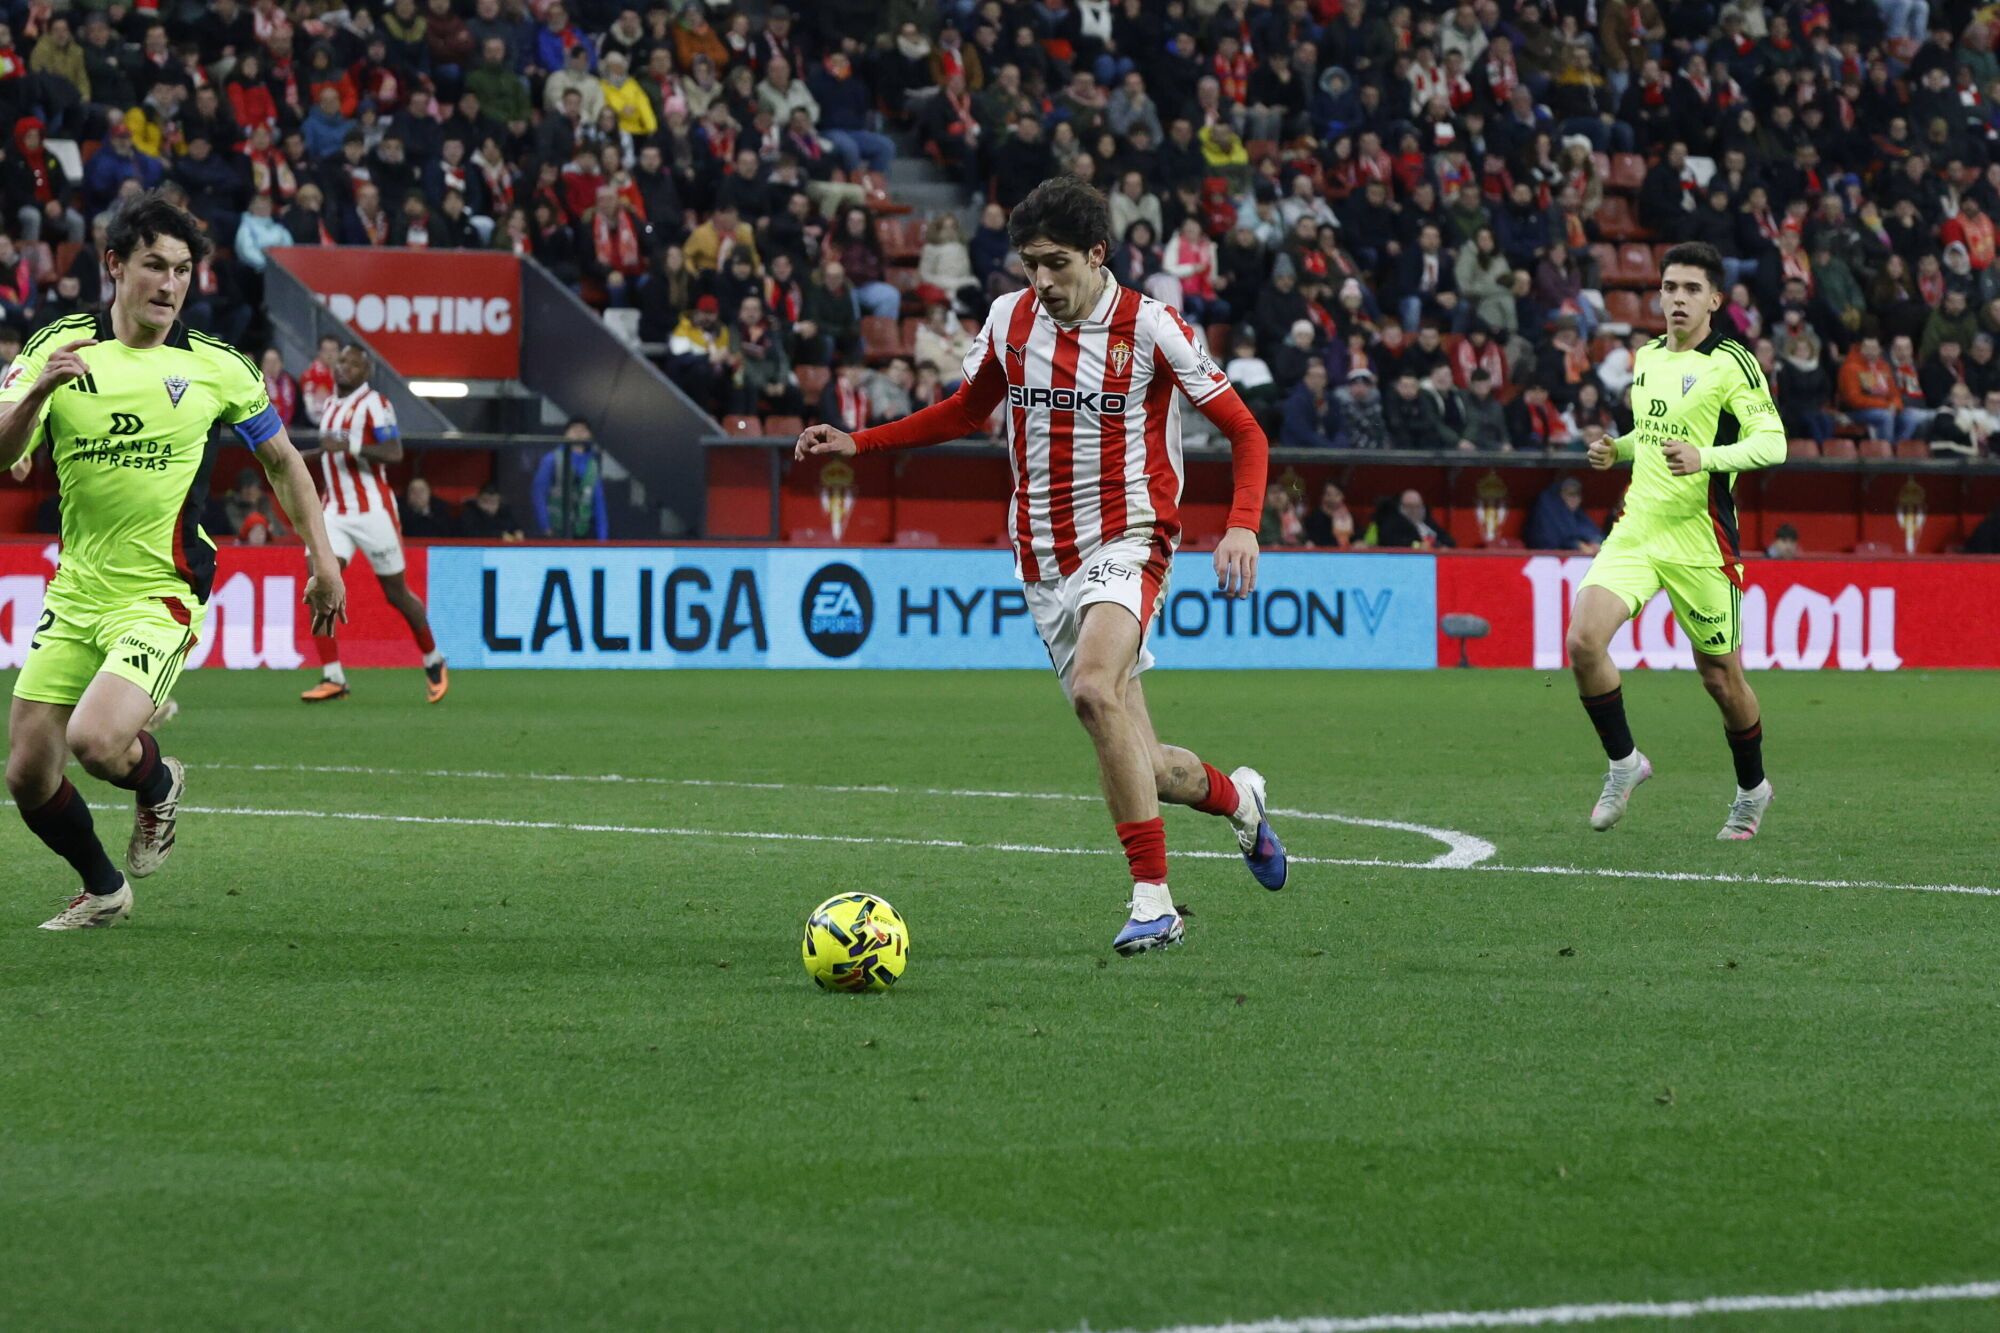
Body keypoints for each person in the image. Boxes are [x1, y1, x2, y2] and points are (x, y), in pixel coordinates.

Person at [792, 178, 1285, 957]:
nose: (1042, 282)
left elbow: (1245, 430)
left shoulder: (1152, 328)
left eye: (1056, 263)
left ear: (1097, 253)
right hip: (1042, 559)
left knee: (1095, 690)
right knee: (1147, 764)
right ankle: (1241, 801)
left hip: (1131, 538)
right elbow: (964, 409)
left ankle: (1153, 902)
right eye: (1029, 266)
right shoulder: (1010, 319)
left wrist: (1243, 527)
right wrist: (864, 441)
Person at [0, 192, 345, 930]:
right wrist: (37, 395)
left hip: (163, 588)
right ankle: (104, 888)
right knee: (27, 773)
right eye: (154, 265)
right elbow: (4, 452)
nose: (170, 284)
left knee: (96, 740)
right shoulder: (57, 346)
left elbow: (284, 463)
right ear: (115, 265)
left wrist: (323, 561)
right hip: (78, 587)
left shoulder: (218, 366)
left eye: (183, 270)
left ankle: (156, 779)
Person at [1577, 241, 1785, 840]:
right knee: (1584, 641)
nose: (1677, 299)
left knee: (1721, 679)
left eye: (1692, 289)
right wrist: (1616, 449)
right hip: (1638, 529)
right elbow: (1652, 431)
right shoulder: (1646, 358)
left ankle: (1752, 790)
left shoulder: (1733, 363)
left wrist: (1706, 458)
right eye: (1670, 287)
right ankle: (1624, 765)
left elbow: (1774, 444)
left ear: (1715, 300)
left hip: (1702, 542)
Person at [295, 345, 448, 705]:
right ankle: (333, 676)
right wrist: (311, 456)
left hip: (372, 511)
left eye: (352, 363)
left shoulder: (376, 404)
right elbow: (334, 449)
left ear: (366, 371)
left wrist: (352, 447)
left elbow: (394, 452)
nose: (343, 367)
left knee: (396, 593)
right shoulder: (330, 405)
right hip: (333, 510)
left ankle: (433, 658)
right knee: (319, 581)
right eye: (341, 361)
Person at [532, 419, 609, 539]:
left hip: (582, 532)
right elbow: (538, 493)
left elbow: (599, 502)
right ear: (565, 434)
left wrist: (602, 539)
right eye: (574, 429)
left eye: (583, 430)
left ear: (590, 435)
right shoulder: (552, 459)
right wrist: (545, 527)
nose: (578, 432)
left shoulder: (592, 464)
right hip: (555, 531)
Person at [1525, 476, 1603, 553]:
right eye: (1570, 494)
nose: (1576, 498)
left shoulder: (1579, 516)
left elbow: (1592, 533)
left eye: (1578, 494)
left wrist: (1595, 542)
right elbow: (1550, 539)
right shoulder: (1548, 513)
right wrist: (1577, 545)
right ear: (1559, 496)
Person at [457, 482, 523, 540]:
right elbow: (471, 534)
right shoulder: (469, 514)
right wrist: (499, 536)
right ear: (478, 500)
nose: (489, 506)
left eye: (493, 502)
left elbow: (515, 528)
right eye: (485, 501)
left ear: (499, 502)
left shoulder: (505, 513)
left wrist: (517, 532)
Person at [1303, 480, 1355, 549]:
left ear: (1343, 496)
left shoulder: (1348, 516)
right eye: (1328, 494)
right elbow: (1308, 537)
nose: (1332, 498)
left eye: (1336, 494)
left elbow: (1355, 537)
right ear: (1323, 496)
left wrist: (1358, 542)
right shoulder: (1314, 516)